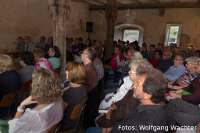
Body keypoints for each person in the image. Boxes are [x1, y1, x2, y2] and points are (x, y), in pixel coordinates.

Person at [86, 69, 168, 133]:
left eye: (137, 84)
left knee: (89, 130)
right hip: (118, 127)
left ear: (147, 95)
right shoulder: (155, 105)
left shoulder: (141, 123)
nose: (133, 86)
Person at [8, 68, 63, 133]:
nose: (32, 84)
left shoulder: (34, 115)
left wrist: (21, 106)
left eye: (33, 81)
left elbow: (12, 131)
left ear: (36, 87)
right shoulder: (59, 99)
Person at [61, 62, 87, 131]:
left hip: (66, 124)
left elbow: (59, 112)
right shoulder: (83, 88)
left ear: (73, 74)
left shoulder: (69, 93)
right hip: (75, 121)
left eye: (68, 70)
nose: (66, 72)